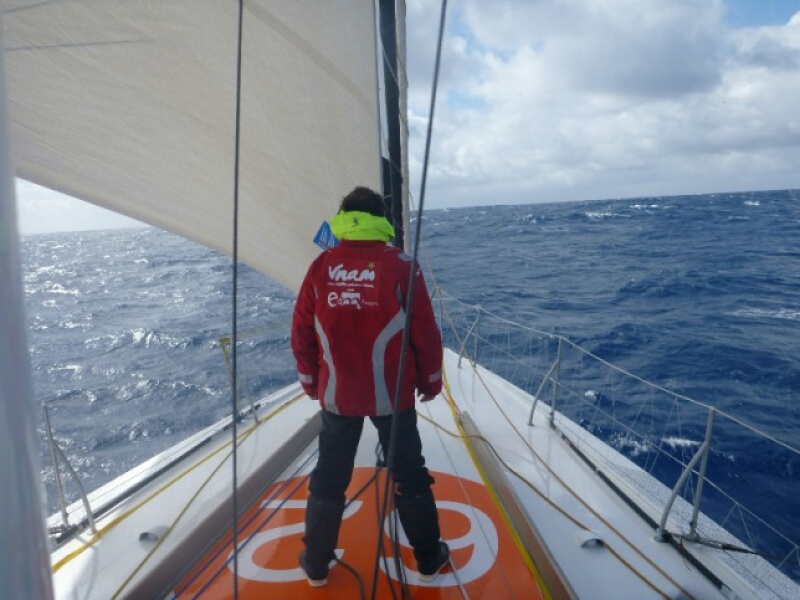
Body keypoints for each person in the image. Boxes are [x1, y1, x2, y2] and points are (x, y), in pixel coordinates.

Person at [291, 186, 449, 587]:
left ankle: (316, 564)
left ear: (344, 218)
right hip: (392, 397)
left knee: (329, 476)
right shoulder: (402, 266)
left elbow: (301, 333)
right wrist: (431, 381)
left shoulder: (320, 266)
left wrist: (311, 382)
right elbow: (424, 332)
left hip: (337, 396)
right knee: (409, 473)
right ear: (382, 221)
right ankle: (429, 558)